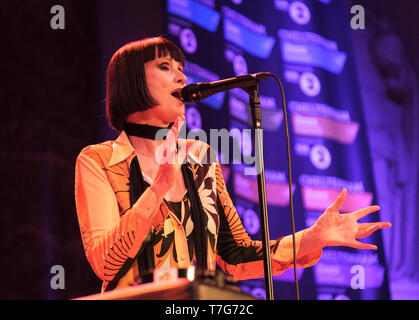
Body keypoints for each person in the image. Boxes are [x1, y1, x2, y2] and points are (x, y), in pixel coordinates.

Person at [74, 36, 391, 294]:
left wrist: (310, 239)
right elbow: (105, 263)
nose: (183, 76)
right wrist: (158, 187)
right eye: (165, 66)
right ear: (132, 81)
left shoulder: (200, 157)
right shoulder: (98, 160)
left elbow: (234, 256)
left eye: (182, 68)